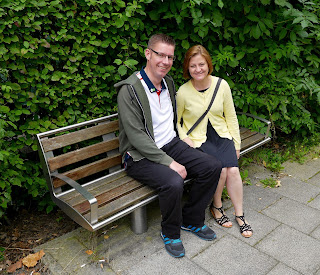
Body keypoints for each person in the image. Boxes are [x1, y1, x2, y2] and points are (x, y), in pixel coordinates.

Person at [115, 34, 222, 258]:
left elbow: (171, 120)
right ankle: (170, 232)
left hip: (170, 144)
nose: (165, 61)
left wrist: (181, 139)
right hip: (138, 156)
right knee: (174, 181)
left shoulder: (168, 83)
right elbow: (136, 137)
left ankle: (192, 220)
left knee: (212, 166)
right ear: (148, 54)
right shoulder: (130, 90)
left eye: (170, 57)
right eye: (160, 55)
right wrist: (169, 163)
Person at [176, 45, 253, 238]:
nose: (198, 69)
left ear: (208, 64)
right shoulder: (183, 92)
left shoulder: (222, 85)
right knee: (219, 170)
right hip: (198, 140)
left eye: (201, 64)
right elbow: (177, 122)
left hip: (222, 135)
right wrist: (185, 138)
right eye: (193, 66)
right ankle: (217, 207)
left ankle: (240, 215)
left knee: (233, 170)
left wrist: (237, 144)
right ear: (187, 68)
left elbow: (231, 116)